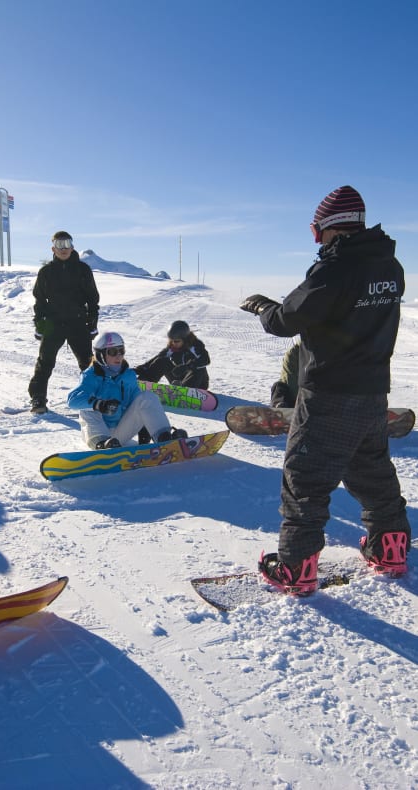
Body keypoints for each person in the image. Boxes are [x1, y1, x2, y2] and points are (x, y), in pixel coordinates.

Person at [240, 185, 411, 593]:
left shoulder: (336, 268)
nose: (317, 241)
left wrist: (265, 307)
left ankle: (295, 568)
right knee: (370, 469)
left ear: (330, 228)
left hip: (330, 393)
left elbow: (286, 321)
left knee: (305, 477)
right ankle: (390, 547)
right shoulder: (390, 267)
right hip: (372, 393)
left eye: (317, 232)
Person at [67, 331, 188, 449]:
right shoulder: (90, 376)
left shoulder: (128, 375)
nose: (119, 356)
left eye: (121, 351)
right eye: (113, 352)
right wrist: (98, 404)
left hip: (119, 434)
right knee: (87, 410)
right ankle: (102, 446)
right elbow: (73, 400)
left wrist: (144, 427)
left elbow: (139, 402)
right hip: (97, 434)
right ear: (100, 355)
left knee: (147, 397)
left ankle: (164, 439)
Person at [28, 231, 100, 414]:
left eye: (67, 244)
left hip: (78, 323)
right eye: (59, 245)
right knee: (45, 362)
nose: (64, 249)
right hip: (54, 324)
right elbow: (40, 301)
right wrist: (41, 326)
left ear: (72, 246)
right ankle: (38, 399)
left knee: (88, 364)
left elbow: (92, 299)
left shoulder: (83, 270)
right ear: (53, 248)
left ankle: (95, 396)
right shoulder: (46, 272)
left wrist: (92, 324)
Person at [134, 320, 211, 389]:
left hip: (197, 384)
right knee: (162, 361)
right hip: (179, 382)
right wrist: (142, 368)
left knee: (199, 368)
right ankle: (143, 384)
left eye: (177, 341)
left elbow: (206, 360)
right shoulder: (172, 348)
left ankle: (184, 390)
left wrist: (187, 366)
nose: (174, 343)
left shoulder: (195, 346)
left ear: (185, 339)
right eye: (172, 341)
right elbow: (158, 358)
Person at [270, 341, 300, 408]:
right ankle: (280, 407)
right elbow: (288, 378)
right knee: (279, 386)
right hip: (294, 397)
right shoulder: (295, 352)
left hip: (315, 398)